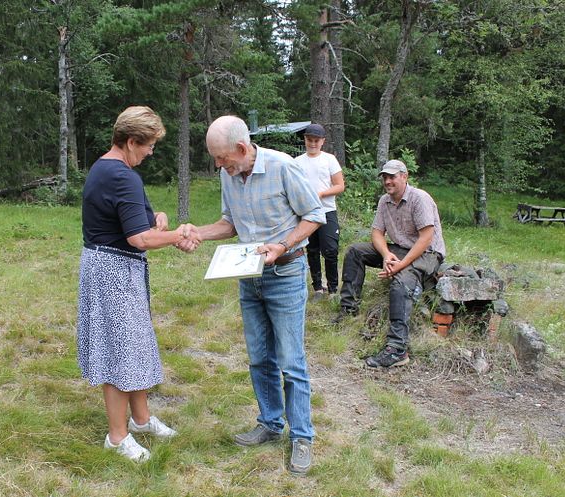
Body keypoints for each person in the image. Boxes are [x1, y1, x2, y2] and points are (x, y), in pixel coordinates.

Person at [180, 115, 325, 475]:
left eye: (222, 158)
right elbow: (230, 223)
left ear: (243, 149)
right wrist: (197, 232)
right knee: (260, 357)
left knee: (291, 361)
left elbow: (314, 215)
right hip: (249, 276)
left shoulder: (283, 167)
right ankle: (271, 423)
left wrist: (281, 244)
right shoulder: (228, 175)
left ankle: (302, 436)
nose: (218, 165)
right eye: (216, 159)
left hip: (286, 271)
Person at [77, 106, 200, 462]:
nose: (151, 152)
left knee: (135, 345)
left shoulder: (107, 168)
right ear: (131, 141)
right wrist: (179, 233)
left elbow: (136, 222)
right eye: (148, 145)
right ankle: (117, 437)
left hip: (110, 267)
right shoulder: (122, 176)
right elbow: (139, 239)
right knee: (119, 351)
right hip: (113, 272)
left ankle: (141, 420)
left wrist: (157, 219)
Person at [334, 159, 445, 368]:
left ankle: (397, 349)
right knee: (355, 251)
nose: (387, 181)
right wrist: (386, 255)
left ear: (405, 176)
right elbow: (376, 232)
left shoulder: (419, 198)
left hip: (427, 253)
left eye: (392, 176)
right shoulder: (385, 201)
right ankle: (348, 309)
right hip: (399, 249)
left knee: (400, 282)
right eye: (385, 177)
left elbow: (426, 238)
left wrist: (400, 266)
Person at [294, 123, 345, 298]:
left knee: (330, 249)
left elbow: (340, 186)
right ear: (305, 140)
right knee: (312, 250)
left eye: (316, 140)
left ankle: (333, 289)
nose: (313, 143)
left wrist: (321, 193)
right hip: (306, 213)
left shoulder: (329, 159)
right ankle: (317, 287)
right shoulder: (297, 162)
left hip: (327, 210)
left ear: (322, 141)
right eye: (310, 140)